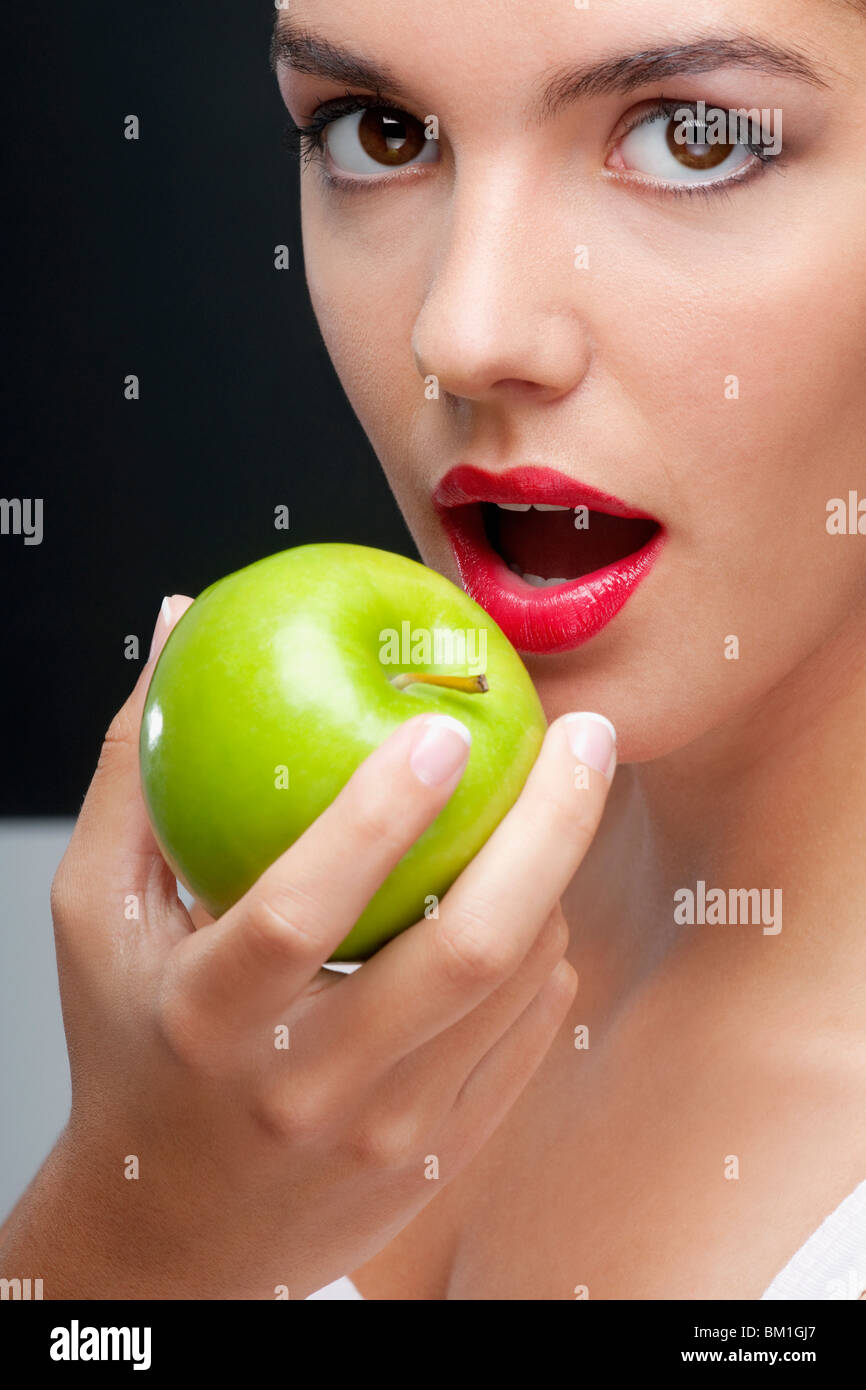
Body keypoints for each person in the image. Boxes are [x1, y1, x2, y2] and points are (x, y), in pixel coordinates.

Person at [3, 0, 866, 1299]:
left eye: (693, 137)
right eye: (378, 129)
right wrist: (123, 1241)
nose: (459, 332)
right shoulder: (269, 985)